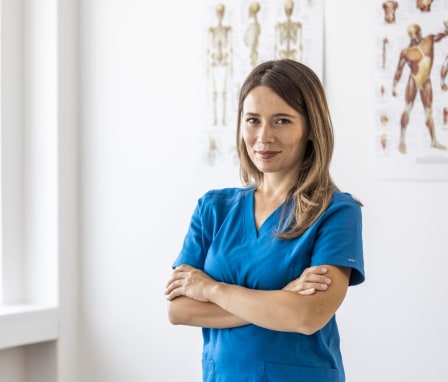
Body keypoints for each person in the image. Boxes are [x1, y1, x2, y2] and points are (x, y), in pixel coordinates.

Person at [165, 59, 365, 382]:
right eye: (253, 120)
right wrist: (279, 298)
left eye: (282, 121)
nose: (263, 137)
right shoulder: (213, 209)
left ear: (311, 128)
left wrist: (211, 288)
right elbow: (179, 310)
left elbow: (307, 315)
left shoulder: (336, 212)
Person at [392, 23, 448, 153]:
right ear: (411, 36)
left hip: (426, 81)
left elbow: (441, 35)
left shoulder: (429, 40)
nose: (418, 36)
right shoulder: (406, 52)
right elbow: (399, 70)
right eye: (415, 34)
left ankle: (433, 141)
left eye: (419, 32)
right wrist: (394, 86)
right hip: (414, 79)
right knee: (408, 108)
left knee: (429, 112)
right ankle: (402, 140)